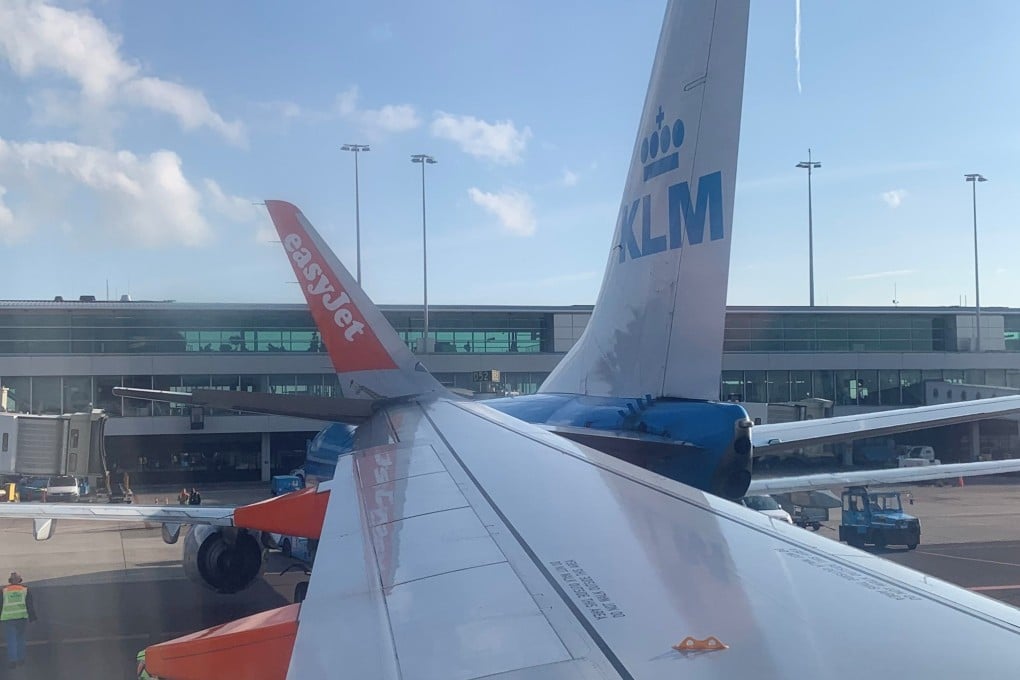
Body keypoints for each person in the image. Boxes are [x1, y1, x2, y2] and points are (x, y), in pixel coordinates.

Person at [1, 572, 36, 669]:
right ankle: (21, 659)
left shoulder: (4, 590)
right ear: (20, 580)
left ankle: (13, 661)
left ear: (10, 581)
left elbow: (0, 605)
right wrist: (33, 618)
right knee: (20, 639)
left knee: (11, 640)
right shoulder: (25, 590)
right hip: (21, 617)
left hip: (8, 618)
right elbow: (30, 605)